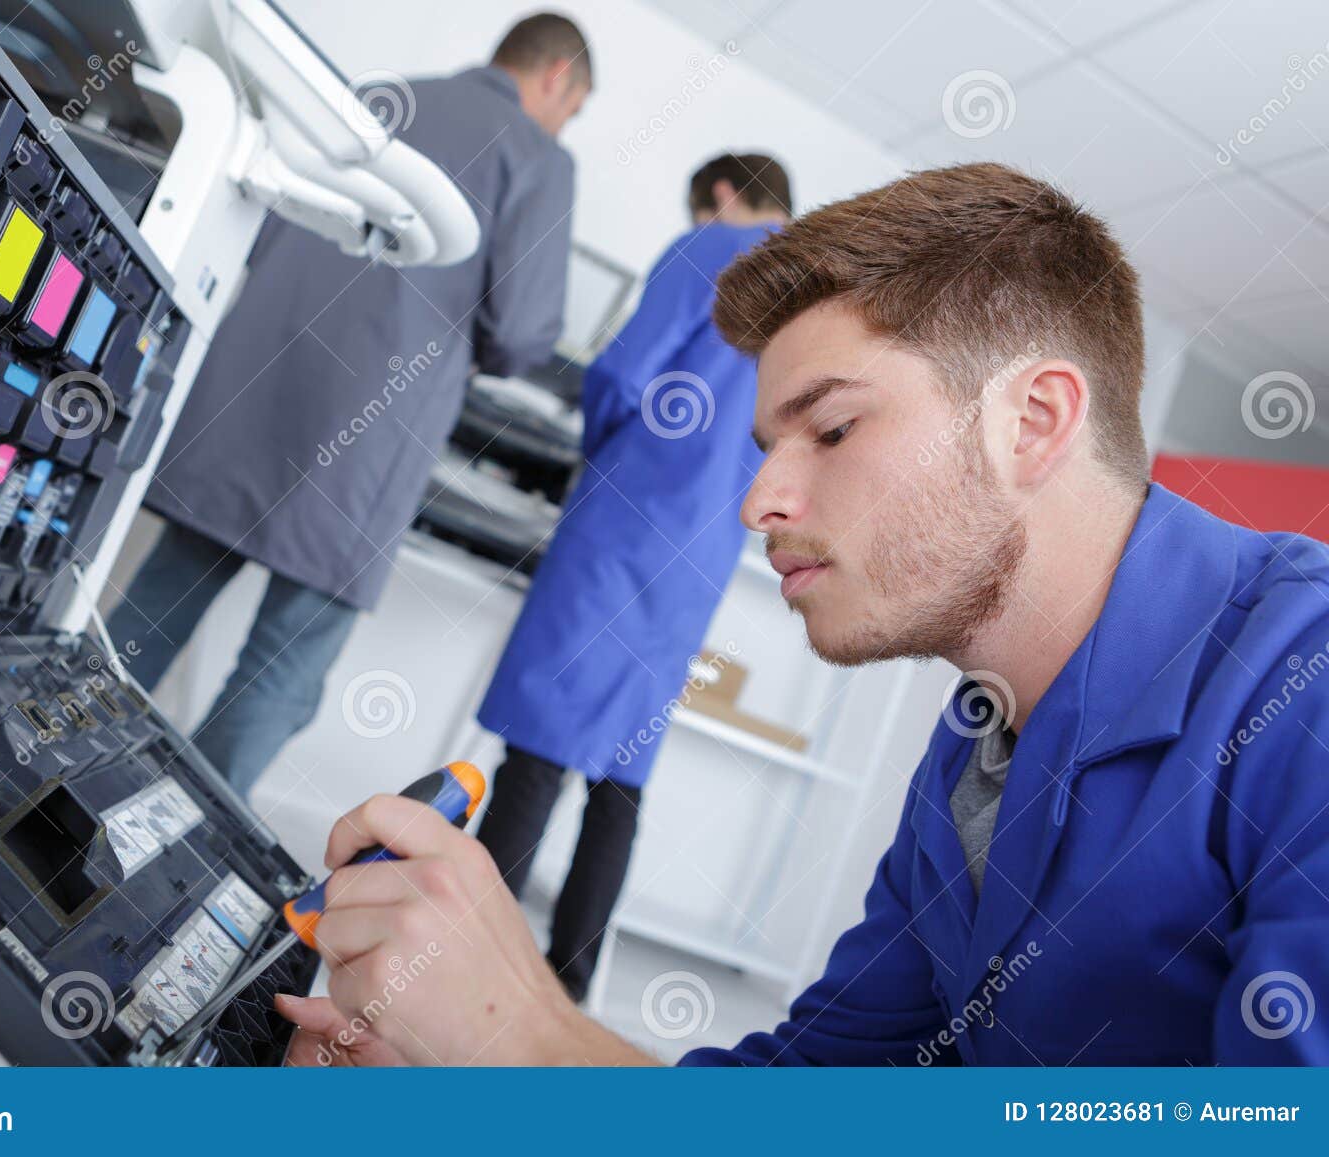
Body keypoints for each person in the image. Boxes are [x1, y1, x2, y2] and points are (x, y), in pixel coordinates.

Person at [275, 162, 1329, 1066]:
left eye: (828, 429)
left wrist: (534, 1033)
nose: (757, 501)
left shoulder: (1304, 683)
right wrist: (487, 1063)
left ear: (1033, 420)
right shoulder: (972, 754)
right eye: (765, 441)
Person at [104, 14, 590, 792]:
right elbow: (523, 333)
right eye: (572, 108)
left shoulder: (371, 98)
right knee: (280, 673)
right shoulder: (540, 158)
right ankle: (174, 843)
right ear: (558, 76)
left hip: (250, 394)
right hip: (364, 441)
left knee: (147, 616)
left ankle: (42, 775)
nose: (565, 122)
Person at [471, 155, 793, 1004]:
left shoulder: (714, 245)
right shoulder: (822, 291)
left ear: (720, 198)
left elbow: (620, 374)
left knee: (540, 745)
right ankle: (567, 986)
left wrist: (603, 454)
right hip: (704, 553)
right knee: (620, 772)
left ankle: (466, 961)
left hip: (626, 521)